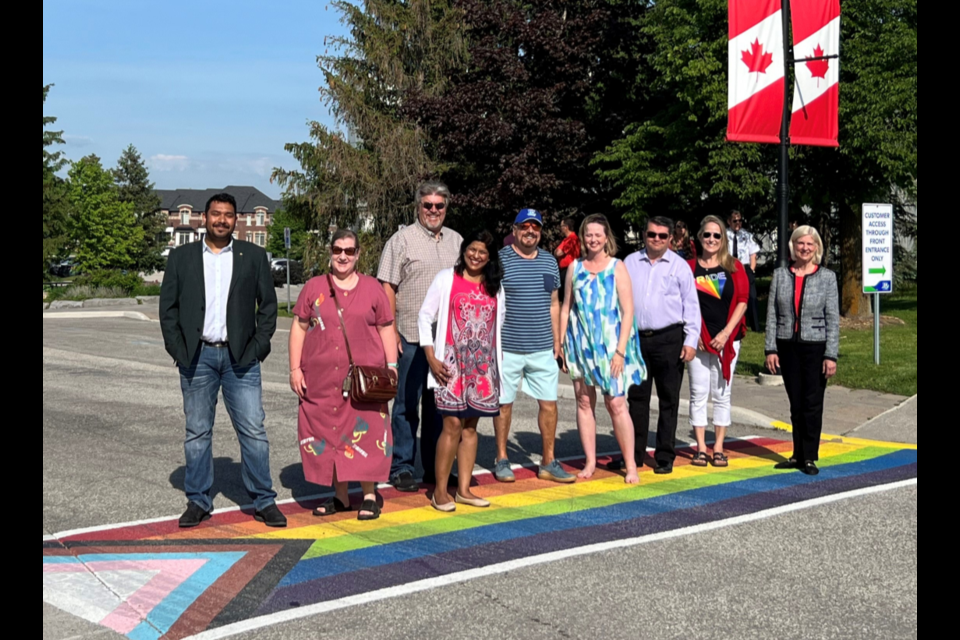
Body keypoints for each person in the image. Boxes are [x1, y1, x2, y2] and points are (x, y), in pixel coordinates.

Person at [160, 193, 286, 529]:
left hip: (241, 358)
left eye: (228, 215)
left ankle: (263, 499)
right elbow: (168, 308)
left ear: (236, 220)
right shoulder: (181, 257)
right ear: (205, 217)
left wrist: (258, 346)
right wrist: (177, 347)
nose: (222, 220)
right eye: (216, 214)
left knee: (254, 431)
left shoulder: (253, 256)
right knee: (198, 432)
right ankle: (198, 500)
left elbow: (269, 307)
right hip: (196, 357)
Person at [289, 230, 399, 522]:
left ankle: (369, 496)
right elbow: (300, 326)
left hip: (364, 381)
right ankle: (340, 496)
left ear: (358, 254)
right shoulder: (313, 287)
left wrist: (392, 367)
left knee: (366, 432)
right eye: (338, 250)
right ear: (330, 251)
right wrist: (294, 368)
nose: (343, 256)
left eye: (349, 251)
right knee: (330, 434)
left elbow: (386, 327)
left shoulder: (373, 288)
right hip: (322, 380)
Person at [378, 181, 463, 493]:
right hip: (410, 337)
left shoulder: (456, 241)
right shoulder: (401, 241)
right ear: (418, 206)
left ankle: (435, 467)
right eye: (428, 205)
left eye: (439, 206)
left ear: (446, 207)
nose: (433, 210)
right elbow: (388, 286)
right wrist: (391, 332)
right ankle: (401, 466)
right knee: (404, 405)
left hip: (445, 342)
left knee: (440, 407)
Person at [419, 231, 506, 512]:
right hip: (450, 366)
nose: (476, 255)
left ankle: (465, 490)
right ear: (464, 249)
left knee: (470, 427)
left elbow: (498, 324)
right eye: (472, 249)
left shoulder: (495, 286)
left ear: (489, 257)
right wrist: (431, 356)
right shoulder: (447, 278)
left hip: (481, 369)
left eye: (482, 251)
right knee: (451, 425)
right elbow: (425, 316)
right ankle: (440, 491)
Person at [561, 215, 646, 484]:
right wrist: (561, 344)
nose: (593, 239)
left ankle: (630, 464)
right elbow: (566, 307)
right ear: (583, 237)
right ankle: (589, 461)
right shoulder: (575, 267)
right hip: (580, 344)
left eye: (598, 234)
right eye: (588, 235)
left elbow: (629, 310)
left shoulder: (617, 267)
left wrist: (621, 351)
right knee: (584, 401)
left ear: (606, 237)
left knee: (617, 403)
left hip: (612, 348)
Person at [494, 209, 577, 485]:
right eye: (525, 226)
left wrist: (558, 342)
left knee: (549, 405)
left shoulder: (549, 262)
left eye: (536, 227)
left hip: (542, 346)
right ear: (514, 230)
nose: (531, 231)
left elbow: (555, 303)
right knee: (504, 405)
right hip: (507, 346)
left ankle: (548, 461)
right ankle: (502, 458)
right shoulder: (500, 259)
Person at [622, 217, 701, 475]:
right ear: (644, 235)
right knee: (636, 400)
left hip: (669, 339)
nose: (656, 239)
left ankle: (665, 455)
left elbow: (691, 305)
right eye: (651, 234)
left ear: (670, 239)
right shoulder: (630, 263)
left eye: (662, 236)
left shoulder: (679, 266)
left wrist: (690, 340)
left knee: (668, 399)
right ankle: (633, 454)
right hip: (635, 340)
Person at [765, 226, 840, 477]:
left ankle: (809, 455)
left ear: (816, 247)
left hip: (815, 346)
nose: (805, 248)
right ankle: (796, 453)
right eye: (800, 244)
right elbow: (772, 314)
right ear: (793, 246)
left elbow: (832, 318)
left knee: (812, 402)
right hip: (787, 345)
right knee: (795, 402)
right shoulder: (780, 275)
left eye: (810, 244)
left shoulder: (827, 277)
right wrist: (771, 348)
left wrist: (831, 354)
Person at [687, 216, 749, 468]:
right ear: (699, 237)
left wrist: (725, 334)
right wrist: (696, 335)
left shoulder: (734, 267)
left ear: (723, 239)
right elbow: (684, 304)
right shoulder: (689, 267)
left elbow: (743, 301)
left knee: (722, 394)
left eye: (717, 235)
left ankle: (719, 447)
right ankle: (701, 448)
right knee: (698, 394)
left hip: (727, 340)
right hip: (698, 341)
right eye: (707, 235)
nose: (711, 239)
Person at [727, 211, 761, 332]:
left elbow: (753, 254)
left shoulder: (747, 235)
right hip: (729, 267)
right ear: (729, 221)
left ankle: (755, 326)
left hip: (745, 267)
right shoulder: (724, 235)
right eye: (735, 221)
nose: (738, 223)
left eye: (740, 220)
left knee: (751, 296)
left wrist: (751, 270)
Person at [554, 217, 581, 302]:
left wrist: (557, 252)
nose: (560, 229)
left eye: (561, 226)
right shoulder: (568, 239)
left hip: (568, 270)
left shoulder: (571, 239)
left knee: (564, 295)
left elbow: (558, 253)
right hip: (566, 270)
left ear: (566, 227)